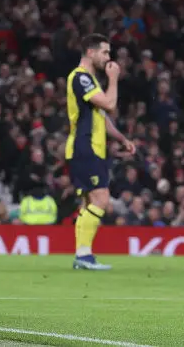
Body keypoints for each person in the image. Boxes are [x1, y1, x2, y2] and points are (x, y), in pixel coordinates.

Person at [65, 34, 135, 271]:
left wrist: (121, 138)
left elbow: (101, 117)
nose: (108, 58)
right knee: (101, 199)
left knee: (88, 204)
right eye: (105, 52)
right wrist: (113, 79)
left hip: (90, 147)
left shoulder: (90, 80)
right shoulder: (81, 77)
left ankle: (83, 255)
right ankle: (83, 256)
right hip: (84, 146)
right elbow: (109, 105)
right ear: (90, 52)